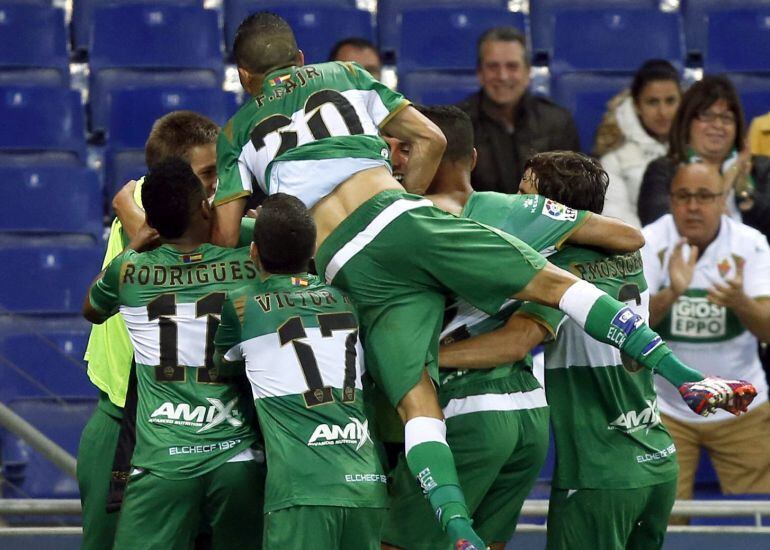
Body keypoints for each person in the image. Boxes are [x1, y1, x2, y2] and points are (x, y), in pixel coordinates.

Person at [212, 13, 739, 549]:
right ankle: (685, 375)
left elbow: (225, 233)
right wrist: (405, 200)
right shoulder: (348, 76)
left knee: (416, 403)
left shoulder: (235, 131)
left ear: (245, 77)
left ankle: (457, 529)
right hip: (406, 226)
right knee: (554, 284)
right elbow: (430, 138)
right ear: (301, 59)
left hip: (349, 265)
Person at [440, 151, 757, 549]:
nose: (516, 200)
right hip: (656, 458)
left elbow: (517, 341)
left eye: (524, 192)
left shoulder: (558, 265)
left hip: (599, 472)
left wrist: (429, 358)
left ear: (548, 208)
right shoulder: (627, 254)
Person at [381, 106, 645, 550]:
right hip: (528, 412)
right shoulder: (524, 225)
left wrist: (417, 360)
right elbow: (630, 236)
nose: (394, 160)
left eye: (403, 148)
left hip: (465, 407)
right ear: (475, 159)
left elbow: (517, 339)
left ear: (425, 151)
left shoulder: (410, 222)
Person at [82, 158, 264, 549]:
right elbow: (291, 239)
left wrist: (133, 244)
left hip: (163, 459)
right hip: (237, 456)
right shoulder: (248, 262)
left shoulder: (128, 272)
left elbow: (92, 309)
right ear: (203, 207)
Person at [77, 110, 221, 550]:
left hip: (203, 425)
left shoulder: (203, 211)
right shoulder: (147, 206)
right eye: (207, 173)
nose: (216, 183)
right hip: (125, 421)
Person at [213, 193, 387, 549]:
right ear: (312, 252)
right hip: (367, 484)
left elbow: (223, 367)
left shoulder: (242, 304)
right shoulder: (348, 299)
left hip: (302, 489)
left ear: (254, 253)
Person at [642, 162, 770, 505]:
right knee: (663, 522)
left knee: (758, 522)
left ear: (723, 200)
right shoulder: (650, 241)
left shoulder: (751, 244)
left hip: (741, 403)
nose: (693, 206)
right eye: (683, 196)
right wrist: (672, 293)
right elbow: (630, 328)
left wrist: (740, 301)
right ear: (670, 200)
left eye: (704, 196)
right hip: (665, 408)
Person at [638, 75, 770, 239]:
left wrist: (744, 190)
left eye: (726, 118)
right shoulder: (663, 171)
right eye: (707, 116)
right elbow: (658, 231)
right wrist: (727, 181)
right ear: (687, 122)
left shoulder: (761, 169)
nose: (718, 125)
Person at [456, 26, 580, 194]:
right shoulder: (460, 125)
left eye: (512, 66)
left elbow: (574, 191)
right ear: (480, 73)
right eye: (493, 66)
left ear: (528, 72)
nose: (503, 76)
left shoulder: (557, 122)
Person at [594, 59, 681, 227]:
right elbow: (617, 220)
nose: (663, 112)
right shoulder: (614, 160)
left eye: (670, 101)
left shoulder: (700, 151)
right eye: (652, 102)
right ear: (637, 106)